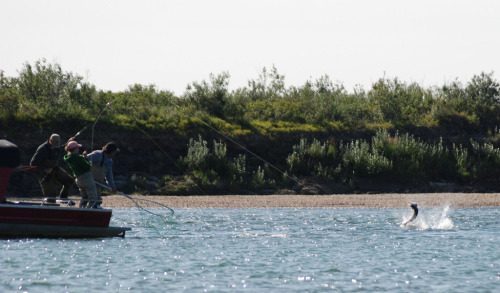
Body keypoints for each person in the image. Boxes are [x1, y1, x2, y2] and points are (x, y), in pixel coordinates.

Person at [30, 133, 74, 203]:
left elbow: (61, 149)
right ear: (50, 141)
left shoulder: (57, 146)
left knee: (69, 180)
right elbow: (32, 164)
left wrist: (68, 143)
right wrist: (44, 169)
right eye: (55, 145)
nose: (56, 146)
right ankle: (51, 207)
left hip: (55, 169)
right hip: (44, 174)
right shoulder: (42, 149)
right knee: (51, 194)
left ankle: (63, 198)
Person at [63, 140, 101, 208]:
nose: (78, 149)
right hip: (87, 178)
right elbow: (88, 167)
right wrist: (85, 158)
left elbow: (69, 154)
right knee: (93, 196)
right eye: (77, 147)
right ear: (75, 149)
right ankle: (90, 210)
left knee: (84, 197)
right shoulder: (78, 158)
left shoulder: (68, 158)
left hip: (78, 179)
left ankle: (81, 208)